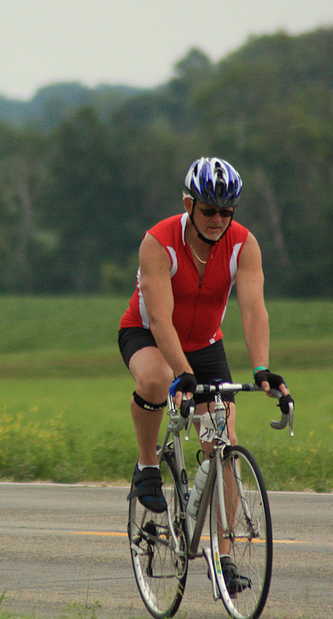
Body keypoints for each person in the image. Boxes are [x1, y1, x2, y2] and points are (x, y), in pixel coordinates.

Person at [119, 157, 293, 591]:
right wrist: (183, 373)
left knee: (223, 442)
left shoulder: (243, 244)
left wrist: (262, 368)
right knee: (158, 380)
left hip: (206, 344)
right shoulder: (158, 242)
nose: (218, 220)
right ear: (188, 204)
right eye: (208, 210)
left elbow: (253, 309)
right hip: (148, 334)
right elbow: (159, 319)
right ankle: (146, 466)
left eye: (226, 211)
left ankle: (225, 556)